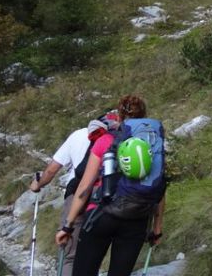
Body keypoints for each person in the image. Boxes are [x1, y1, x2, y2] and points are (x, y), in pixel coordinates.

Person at [56, 95, 166, 276]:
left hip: (101, 214)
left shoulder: (106, 140)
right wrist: (157, 229)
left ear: (120, 115)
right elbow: (160, 188)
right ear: (145, 115)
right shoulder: (153, 144)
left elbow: (85, 186)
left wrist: (67, 226)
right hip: (137, 219)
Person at [30, 112, 117, 276]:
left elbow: (51, 170)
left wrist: (38, 184)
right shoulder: (118, 137)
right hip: (104, 198)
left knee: (69, 255)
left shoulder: (79, 135)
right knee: (93, 254)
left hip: (75, 195)